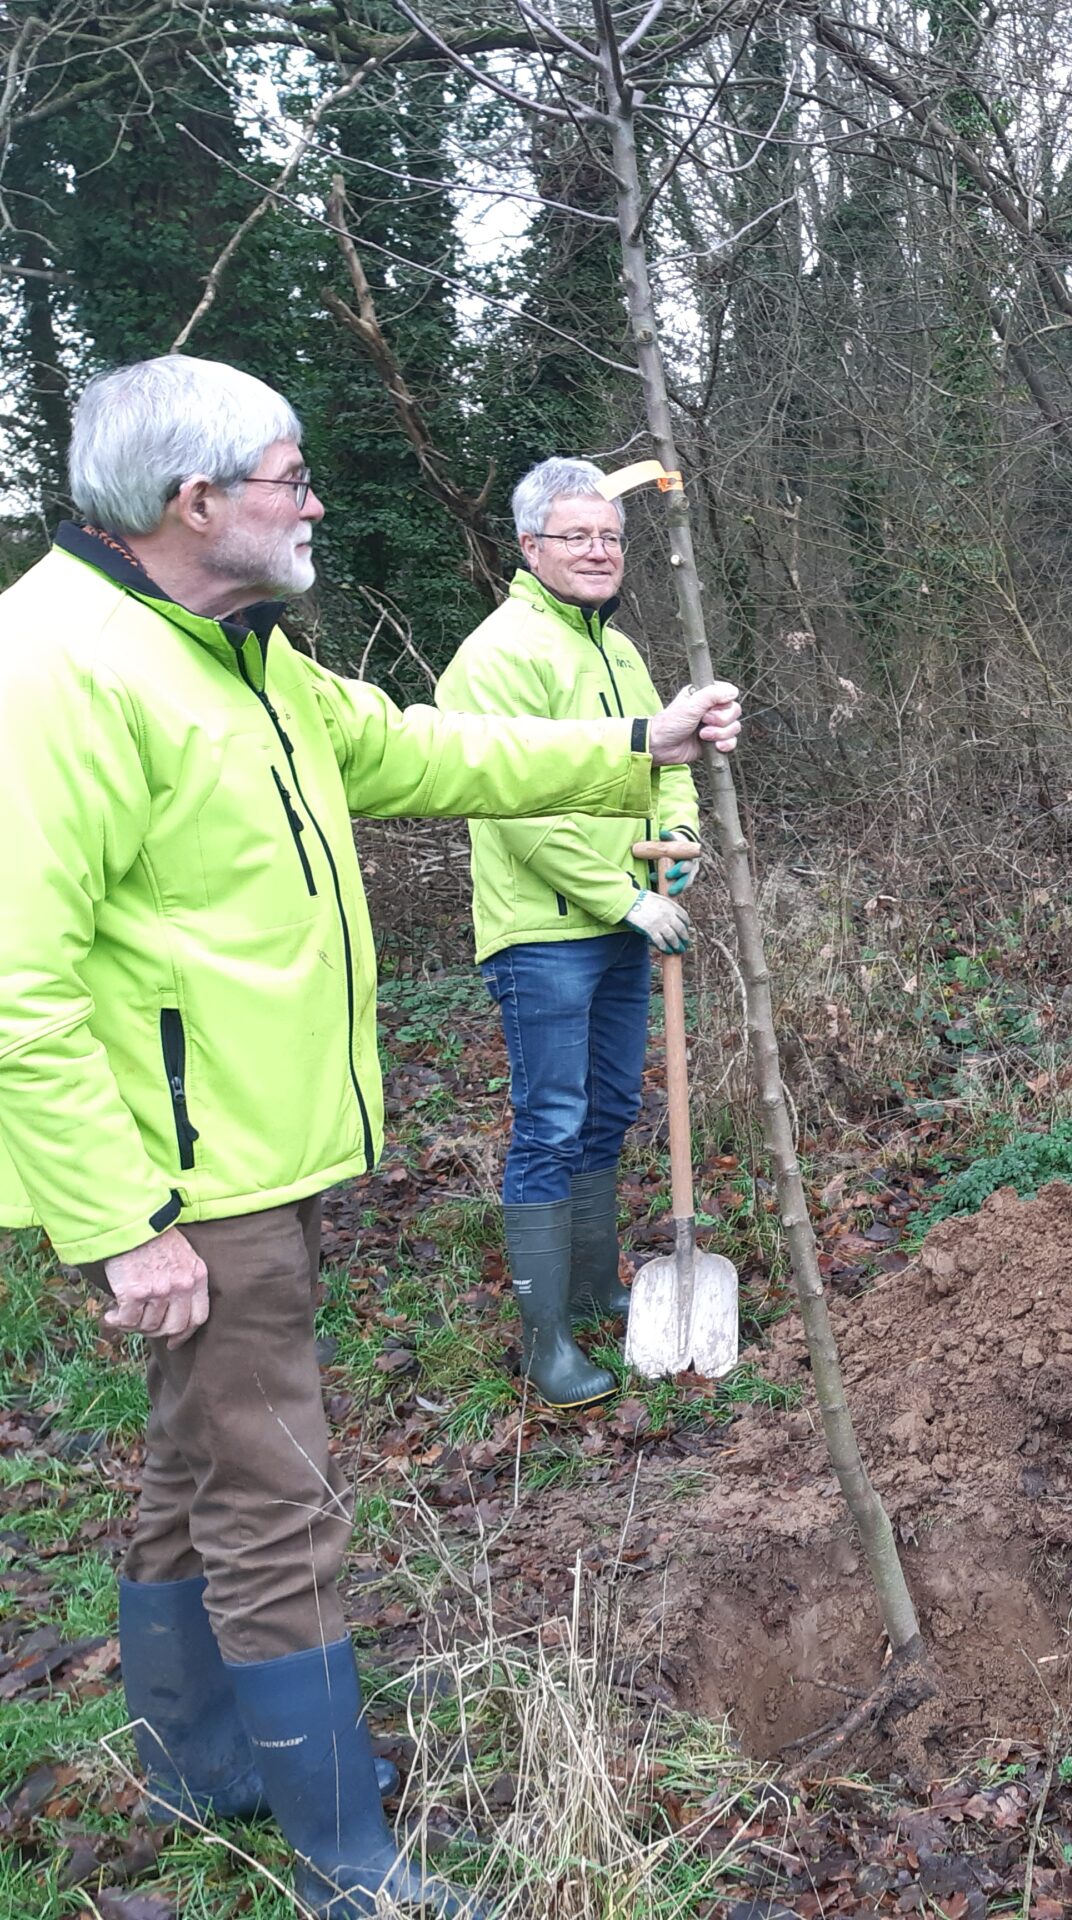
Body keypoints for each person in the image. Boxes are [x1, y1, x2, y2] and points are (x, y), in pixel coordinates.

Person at [0, 356, 744, 1917]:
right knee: (275, 1492)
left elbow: (424, 752)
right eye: (290, 477)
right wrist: (121, 1220)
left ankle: (197, 1763)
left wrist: (638, 742)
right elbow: (18, 984)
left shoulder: (240, 656)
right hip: (185, 1174)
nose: (316, 502)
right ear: (195, 500)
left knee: (194, 1453)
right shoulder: (60, 670)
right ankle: (350, 1860)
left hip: (250, 1145)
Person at [434, 460, 701, 1409]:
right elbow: (507, 806)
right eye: (577, 536)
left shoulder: (618, 651)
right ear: (530, 547)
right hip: (542, 933)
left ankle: (594, 1290)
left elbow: (667, 758)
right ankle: (547, 1341)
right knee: (549, 1122)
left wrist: (680, 839)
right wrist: (621, 897)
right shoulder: (498, 655)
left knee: (609, 1109)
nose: (598, 551)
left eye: (610, 537)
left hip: (628, 919)